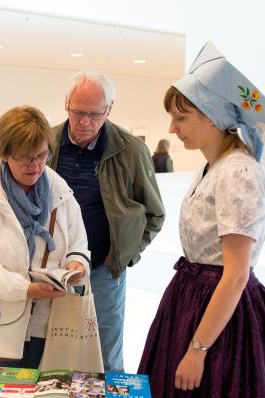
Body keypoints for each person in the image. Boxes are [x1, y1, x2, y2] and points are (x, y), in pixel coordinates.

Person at [138, 43, 265, 398]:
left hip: (222, 320)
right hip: (193, 301)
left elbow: (235, 275)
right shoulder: (213, 165)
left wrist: (197, 349)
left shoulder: (237, 171)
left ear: (211, 115)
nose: (172, 129)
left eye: (181, 117)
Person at [0, 105, 90, 368]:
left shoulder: (59, 191)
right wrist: (25, 289)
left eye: (42, 155)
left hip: (48, 322)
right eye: (25, 158)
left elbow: (78, 243)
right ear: (4, 154)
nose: (36, 166)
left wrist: (76, 263)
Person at [48, 71, 165, 371]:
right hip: (51, 267)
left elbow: (155, 213)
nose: (85, 122)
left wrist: (125, 254)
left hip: (103, 268)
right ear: (66, 105)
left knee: (106, 351)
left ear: (109, 109)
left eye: (94, 114)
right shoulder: (47, 142)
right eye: (78, 112)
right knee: (51, 345)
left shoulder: (130, 149)